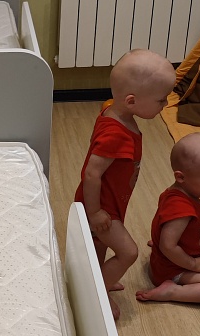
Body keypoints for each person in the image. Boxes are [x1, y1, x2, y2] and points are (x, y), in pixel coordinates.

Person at [75, 49, 177, 318]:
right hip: (101, 206)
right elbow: (92, 174)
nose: (165, 104)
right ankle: (97, 293)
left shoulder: (113, 109)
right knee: (128, 252)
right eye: (161, 99)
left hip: (109, 202)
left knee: (99, 245)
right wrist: (95, 212)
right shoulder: (116, 134)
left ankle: (100, 279)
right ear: (131, 101)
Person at [137, 133, 200, 305]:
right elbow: (168, 246)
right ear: (181, 177)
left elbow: (177, 224)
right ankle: (172, 291)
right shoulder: (180, 207)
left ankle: (166, 256)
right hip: (172, 268)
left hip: (186, 254)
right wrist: (194, 265)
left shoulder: (185, 192)